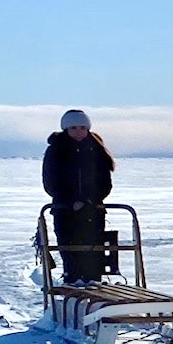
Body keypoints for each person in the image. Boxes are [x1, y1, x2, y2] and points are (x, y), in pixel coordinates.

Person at [41, 109, 115, 284]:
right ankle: (72, 288)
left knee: (93, 253)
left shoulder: (97, 149)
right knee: (70, 252)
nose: (78, 131)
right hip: (64, 211)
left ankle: (95, 288)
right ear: (66, 129)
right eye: (74, 127)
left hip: (93, 211)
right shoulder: (56, 150)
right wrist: (70, 201)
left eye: (82, 127)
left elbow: (105, 182)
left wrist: (89, 200)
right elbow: (51, 181)